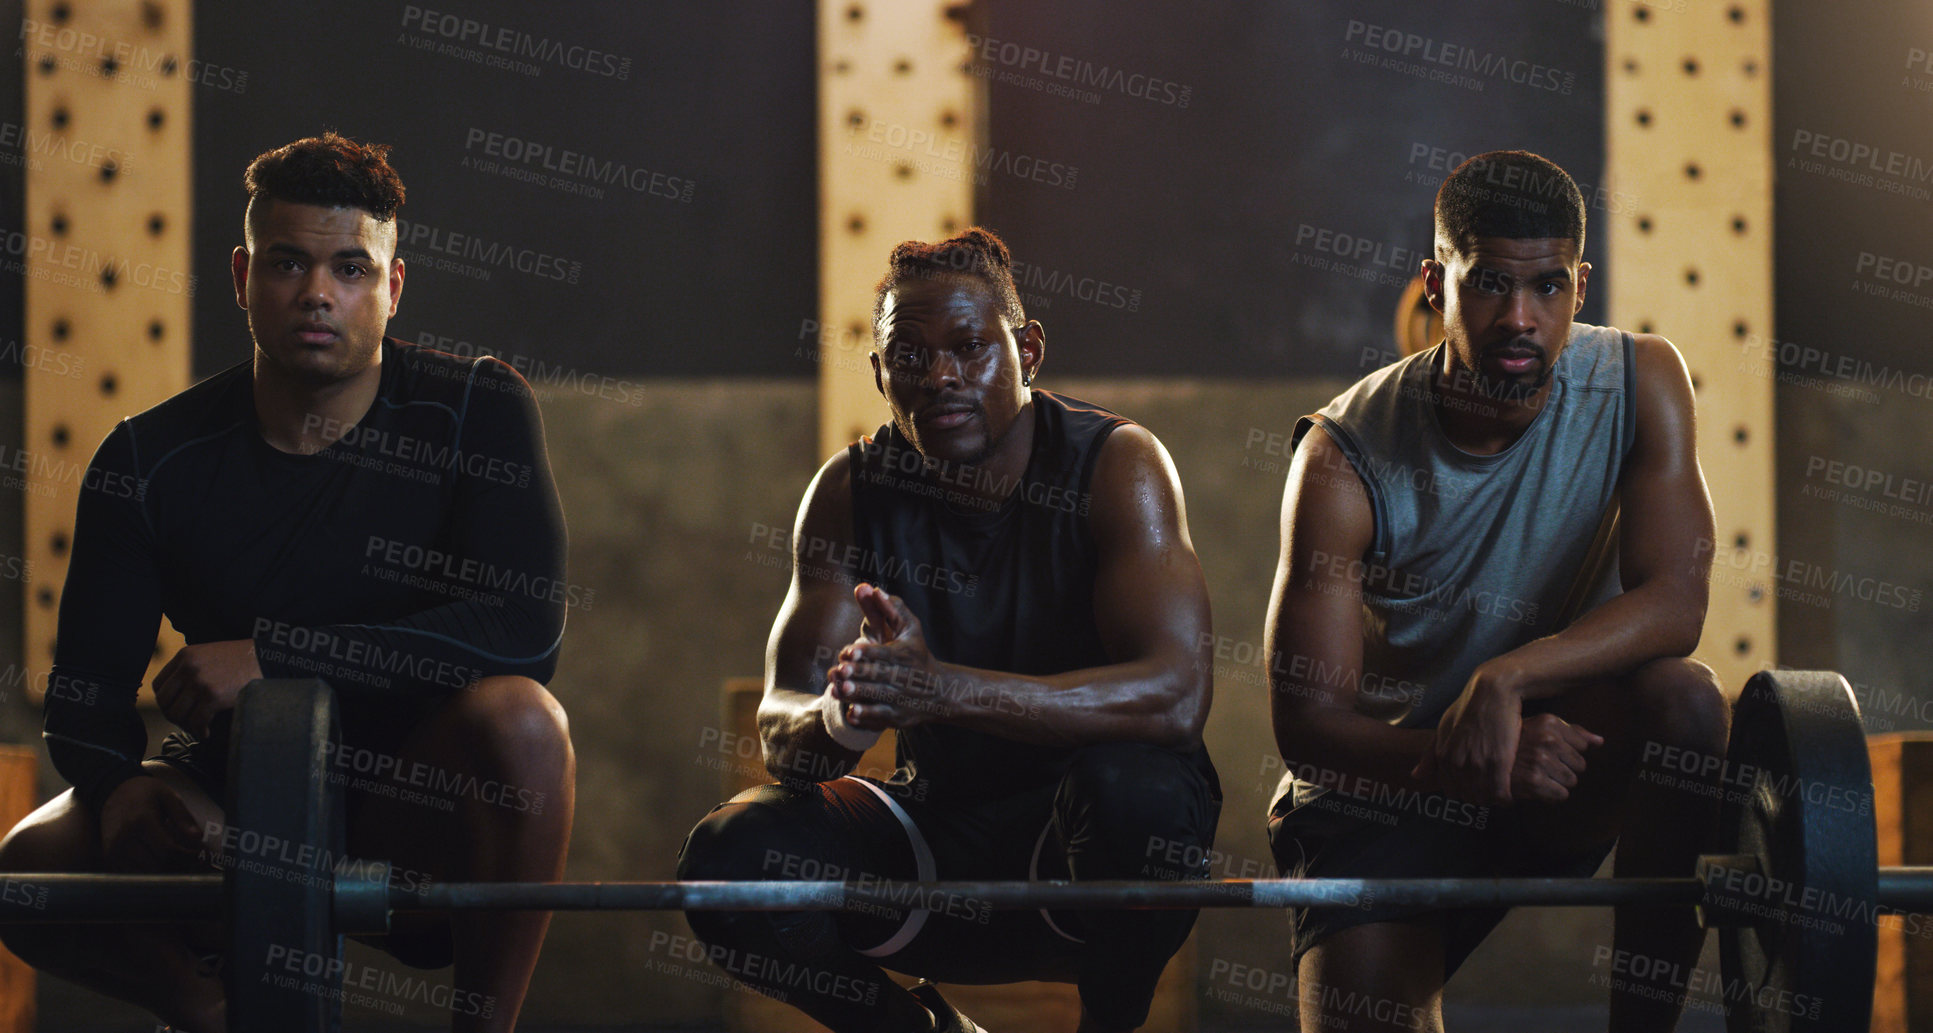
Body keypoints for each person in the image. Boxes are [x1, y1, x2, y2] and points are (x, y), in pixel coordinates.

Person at [0, 132, 575, 1033]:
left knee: (525, 722)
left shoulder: (476, 409)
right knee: (27, 865)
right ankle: (215, 1009)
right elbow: (85, 695)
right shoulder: (149, 457)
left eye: (350, 268)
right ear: (241, 276)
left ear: (391, 287)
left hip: (415, 797)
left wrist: (277, 655)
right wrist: (117, 784)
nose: (318, 292)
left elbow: (525, 633)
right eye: (288, 263)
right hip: (234, 805)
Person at [677, 227, 1221, 1033]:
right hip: (938, 845)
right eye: (910, 357)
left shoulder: (1116, 463)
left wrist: (942, 690)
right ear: (879, 374)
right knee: (730, 856)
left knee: (1136, 791)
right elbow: (781, 724)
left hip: (1084, 859)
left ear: (1027, 349)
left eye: (970, 347)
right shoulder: (851, 487)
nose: (939, 376)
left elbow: (1175, 697)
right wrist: (845, 712)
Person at [1264, 150, 1729, 1032]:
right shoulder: (1340, 456)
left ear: (1580, 286)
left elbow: (1678, 601)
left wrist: (1507, 681)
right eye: (1486, 284)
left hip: (1560, 754)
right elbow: (1308, 728)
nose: (1521, 317)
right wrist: (1466, 759)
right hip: (1389, 787)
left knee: (1686, 705)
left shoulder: (1642, 380)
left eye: (1547, 286)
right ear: (1436, 285)